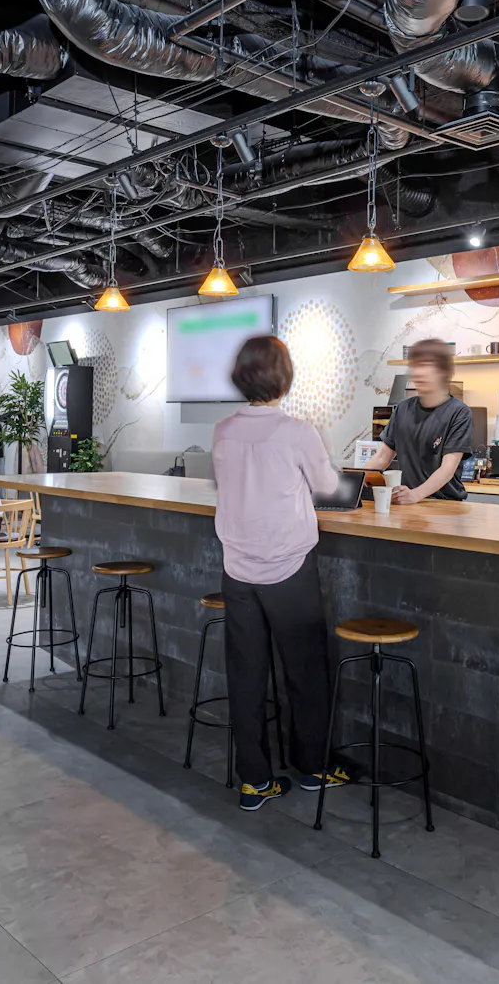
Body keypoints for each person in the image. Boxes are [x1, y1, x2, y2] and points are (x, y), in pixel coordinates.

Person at [212, 335, 348, 811]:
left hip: (237, 569)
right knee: (305, 673)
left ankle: (254, 781)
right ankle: (312, 768)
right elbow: (327, 486)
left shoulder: (223, 430)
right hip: (289, 567)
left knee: (246, 675)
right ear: (284, 378)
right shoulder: (297, 432)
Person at [365, 337, 473, 503]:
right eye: (415, 366)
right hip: (407, 503)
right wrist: (352, 479)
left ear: (443, 371)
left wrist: (415, 495)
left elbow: (447, 469)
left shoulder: (459, 413)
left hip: (444, 505)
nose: (418, 372)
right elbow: (381, 459)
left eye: (426, 365)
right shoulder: (402, 409)